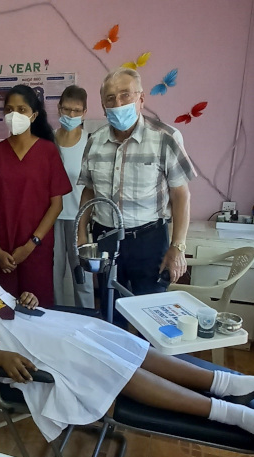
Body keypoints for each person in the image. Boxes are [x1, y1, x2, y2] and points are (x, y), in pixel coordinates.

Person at [0, 238, 254, 445]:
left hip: (37, 323)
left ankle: (228, 385)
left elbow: (2, 305)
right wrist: (2, 357)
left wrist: (26, 299)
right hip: (17, 346)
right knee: (112, 365)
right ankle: (232, 413)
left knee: (121, 340)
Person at [77, 68, 196, 322]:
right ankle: (117, 360)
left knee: (152, 318)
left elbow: (181, 195)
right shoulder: (94, 141)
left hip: (149, 241)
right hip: (106, 240)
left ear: (141, 98)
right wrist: (80, 234)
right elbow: (89, 190)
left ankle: (150, 362)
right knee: (112, 314)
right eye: (110, 99)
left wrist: (178, 246)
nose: (117, 104)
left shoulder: (166, 138)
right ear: (103, 105)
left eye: (125, 95)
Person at [0, 85, 72, 308]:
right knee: (5, 310)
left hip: (36, 249)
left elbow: (56, 205)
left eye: (22, 109)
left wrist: (31, 245)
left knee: (39, 311)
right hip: (4, 253)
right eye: (9, 110)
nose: (14, 115)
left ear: (34, 115)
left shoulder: (48, 152)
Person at [52, 85, 95, 309]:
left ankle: (88, 321)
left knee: (83, 277)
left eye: (76, 111)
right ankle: (56, 319)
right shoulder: (49, 140)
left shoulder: (91, 141)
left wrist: (85, 226)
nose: (70, 115)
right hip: (52, 218)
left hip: (80, 219)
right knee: (53, 275)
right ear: (59, 109)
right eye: (66, 109)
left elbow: (94, 185)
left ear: (84, 112)